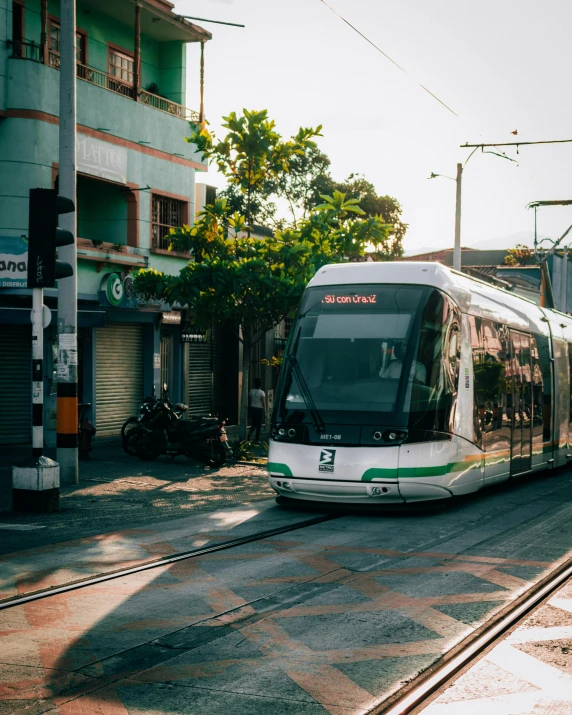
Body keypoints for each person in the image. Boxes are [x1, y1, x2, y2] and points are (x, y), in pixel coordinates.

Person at [248, 378, 266, 443]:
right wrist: (265, 412)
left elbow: (249, 400)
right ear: (260, 385)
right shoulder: (262, 392)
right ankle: (257, 439)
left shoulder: (251, 391)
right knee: (259, 425)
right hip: (259, 409)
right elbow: (263, 403)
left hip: (252, 408)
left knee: (254, 423)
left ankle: (250, 434)